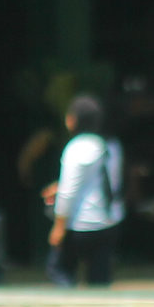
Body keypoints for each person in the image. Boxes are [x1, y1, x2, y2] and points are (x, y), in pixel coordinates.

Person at [45, 94, 123, 288]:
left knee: (58, 269)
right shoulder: (111, 146)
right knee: (100, 280)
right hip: (107, 222)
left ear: (72, 121)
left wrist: (59, 226)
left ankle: (73, 304)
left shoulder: (76, 148)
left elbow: (69, 192)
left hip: (80, 225)